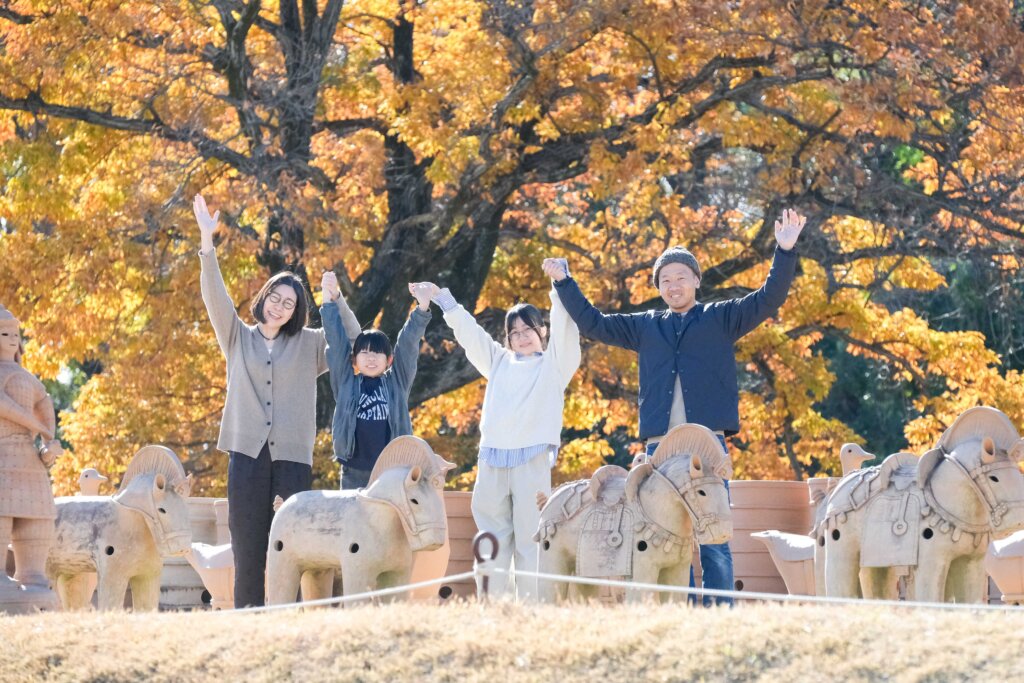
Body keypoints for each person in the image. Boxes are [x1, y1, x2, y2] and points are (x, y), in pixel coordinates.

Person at [550, 209, 807, 605]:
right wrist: (565, 282)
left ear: (696, 281)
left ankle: (720, 610)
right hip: (659, 449)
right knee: (665, 534)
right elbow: (593, 323)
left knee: (714, 537)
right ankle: (677, 608)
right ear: (659, 287)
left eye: (680, 277)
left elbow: (768, 299)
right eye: (665, 280)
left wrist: (785, 250)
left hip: (708, 446)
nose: (673, 285)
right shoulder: (645, 325)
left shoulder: (721, 318)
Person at [192, 194, 360, 608]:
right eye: (276, 297)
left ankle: (285, 614)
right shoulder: (237, 337)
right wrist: (206, 242)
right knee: (248, 544)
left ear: (297, 309)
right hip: (246, 455)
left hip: (292, 459)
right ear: (264, 297)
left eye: (290, 302)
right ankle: (249, 615)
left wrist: (336, 301)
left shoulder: (309, 344)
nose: (281, 306)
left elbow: (353, 344)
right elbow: (215, 297)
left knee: (288, 545)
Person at [413, 258, 581, 600]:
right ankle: (492, 607)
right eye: (514, 332)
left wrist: (560, 283)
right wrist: (444, 300)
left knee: (532, 537)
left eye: (528, 330)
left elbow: (567, 331)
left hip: (531, 460)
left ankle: (532, 610)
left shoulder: (553, 365)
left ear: (542, 331)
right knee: (490, 539)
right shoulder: (499, 361)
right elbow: (471, 336)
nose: (520, 337)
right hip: (491, 460)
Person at [321, 274, 432, 489]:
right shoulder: (346, 383)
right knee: (354, 520)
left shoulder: (396, 383)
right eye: (364, 353)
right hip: (353, 468)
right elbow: (336, 343)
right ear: (354, 359)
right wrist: (328, 302)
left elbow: (408, 344)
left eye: (378, 354)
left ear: (389, 360)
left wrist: (422, 307)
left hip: (392, 469)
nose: (371, 358)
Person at [0, 303, 62, 605]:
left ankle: (34, 579)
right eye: (4, 332)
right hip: (2, 456)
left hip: (30, 460)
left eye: (15, 332)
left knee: (37, 520)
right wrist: (35, 423)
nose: (12, 338)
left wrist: (48, 443)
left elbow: (44, 405)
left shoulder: (28, 377)